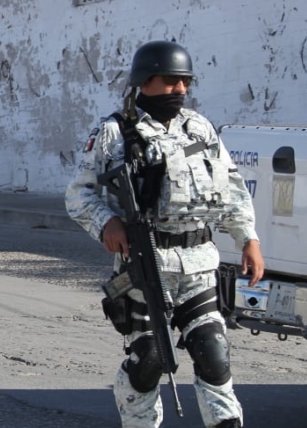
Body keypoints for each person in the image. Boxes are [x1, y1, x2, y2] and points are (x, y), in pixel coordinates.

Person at [64, 40, 265, 428]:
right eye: (172, 81)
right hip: (145, 264)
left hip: (199, 264)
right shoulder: (114, 132)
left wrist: (248, 238)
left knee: (214, 353)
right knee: (151, 359)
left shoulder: (200, 127)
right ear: (146, 81)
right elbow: (79, 193)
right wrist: (107, 222)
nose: (181, 90)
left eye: (185, 82)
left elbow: (233, 184)